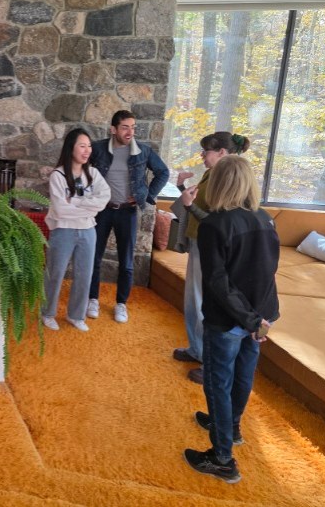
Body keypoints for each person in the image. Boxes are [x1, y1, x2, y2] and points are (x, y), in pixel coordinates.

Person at [183, 155, 280, 484]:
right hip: (257, 318)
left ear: (221, 183)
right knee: (242, 377)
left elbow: (218, 283)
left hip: (228, 321)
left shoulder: (214, 225)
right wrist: (261, 320)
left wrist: (253, 320)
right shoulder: (266, 219)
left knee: (218, 385)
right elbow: (269, 275)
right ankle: (231, 427)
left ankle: (223, 458)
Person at [174, 132, 251, 385]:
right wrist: (181, 189)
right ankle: (197, 349)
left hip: (211, 246)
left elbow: (219, 223)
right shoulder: (211, 175)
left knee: (202, 301)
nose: (202, 156)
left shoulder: (229, 181)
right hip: (200, 241)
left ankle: (208, 360)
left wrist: (187, 205)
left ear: (222, 153)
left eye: (206, 151)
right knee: (192, 299)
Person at [87, 110, 169, 323]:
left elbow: (163, 172)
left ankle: (121, 304)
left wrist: (148, 195)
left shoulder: (143, 151)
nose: (130, 131)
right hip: (102, 210)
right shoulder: (97, 149)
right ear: (113, 129)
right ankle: (92, 299)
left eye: (133, 127)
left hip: (127, 211)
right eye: (125, 127)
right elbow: (81, 170)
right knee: (94, 256)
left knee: (126, 262)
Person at [41, 128, 110, 332]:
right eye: (82, 145)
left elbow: (104, 198)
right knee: (55, 272)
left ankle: (76, 315)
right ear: (71, 148)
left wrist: (77, 202)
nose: (87, 150)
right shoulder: (58, 175)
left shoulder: (93, 173)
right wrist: (88, 206)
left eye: (89, 146)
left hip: (88, 230)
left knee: (84, 274)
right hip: (63, 230)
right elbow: (61, 210)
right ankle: (47, 313)